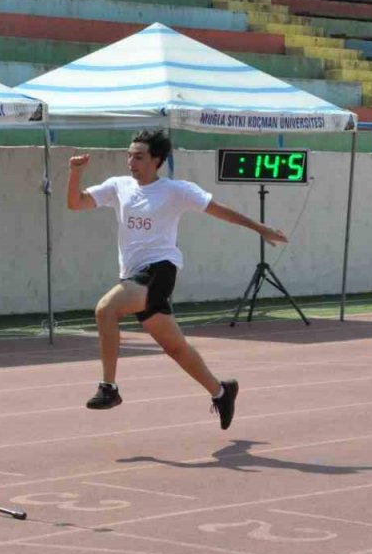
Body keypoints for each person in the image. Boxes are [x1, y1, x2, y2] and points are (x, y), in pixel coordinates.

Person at [66, 129, 288, 430]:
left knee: (106, 309)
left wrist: (259, 228)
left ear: (156, 160)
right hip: (133, 274)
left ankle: (109, 387)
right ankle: (222, 392)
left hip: (160, 270)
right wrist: (75, 172)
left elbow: (219, 210)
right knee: (175, 348)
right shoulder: (118, 186)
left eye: (139, 157)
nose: (132, 161)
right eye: (130, 155)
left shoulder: (175, 190)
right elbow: (76, 203)